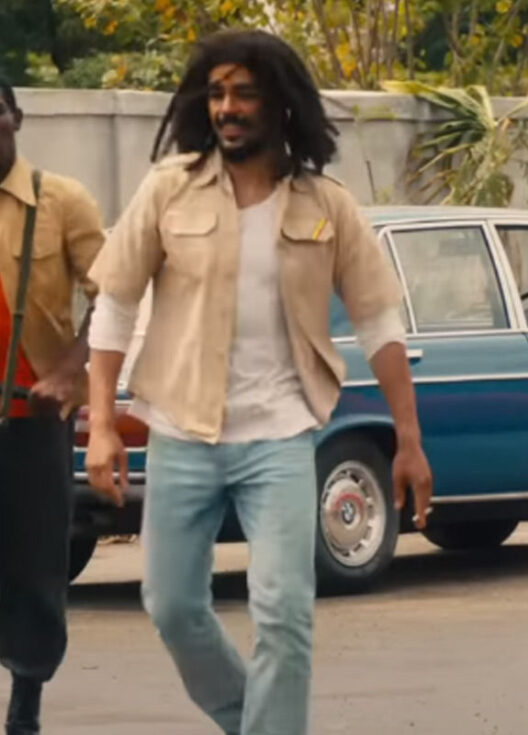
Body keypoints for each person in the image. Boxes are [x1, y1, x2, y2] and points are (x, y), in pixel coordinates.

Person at [86, 30, 432, 735]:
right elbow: (115, 307)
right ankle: (253, 721)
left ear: (280, 103)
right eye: (217, 93)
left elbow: (378, 322)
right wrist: (99, 425)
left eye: (244, 93)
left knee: (283, 612)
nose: (228, 107)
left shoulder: (325, 204)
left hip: (279, 435)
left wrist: (409, 439)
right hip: (181, 431)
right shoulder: (168, 189)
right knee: (171, 606)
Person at [0, 80, 104, 734]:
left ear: (14, 116)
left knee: (36, 564)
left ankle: (26, 696)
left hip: (31, 419)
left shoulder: (60, 200)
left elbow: (115, 296)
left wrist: (69, 371)